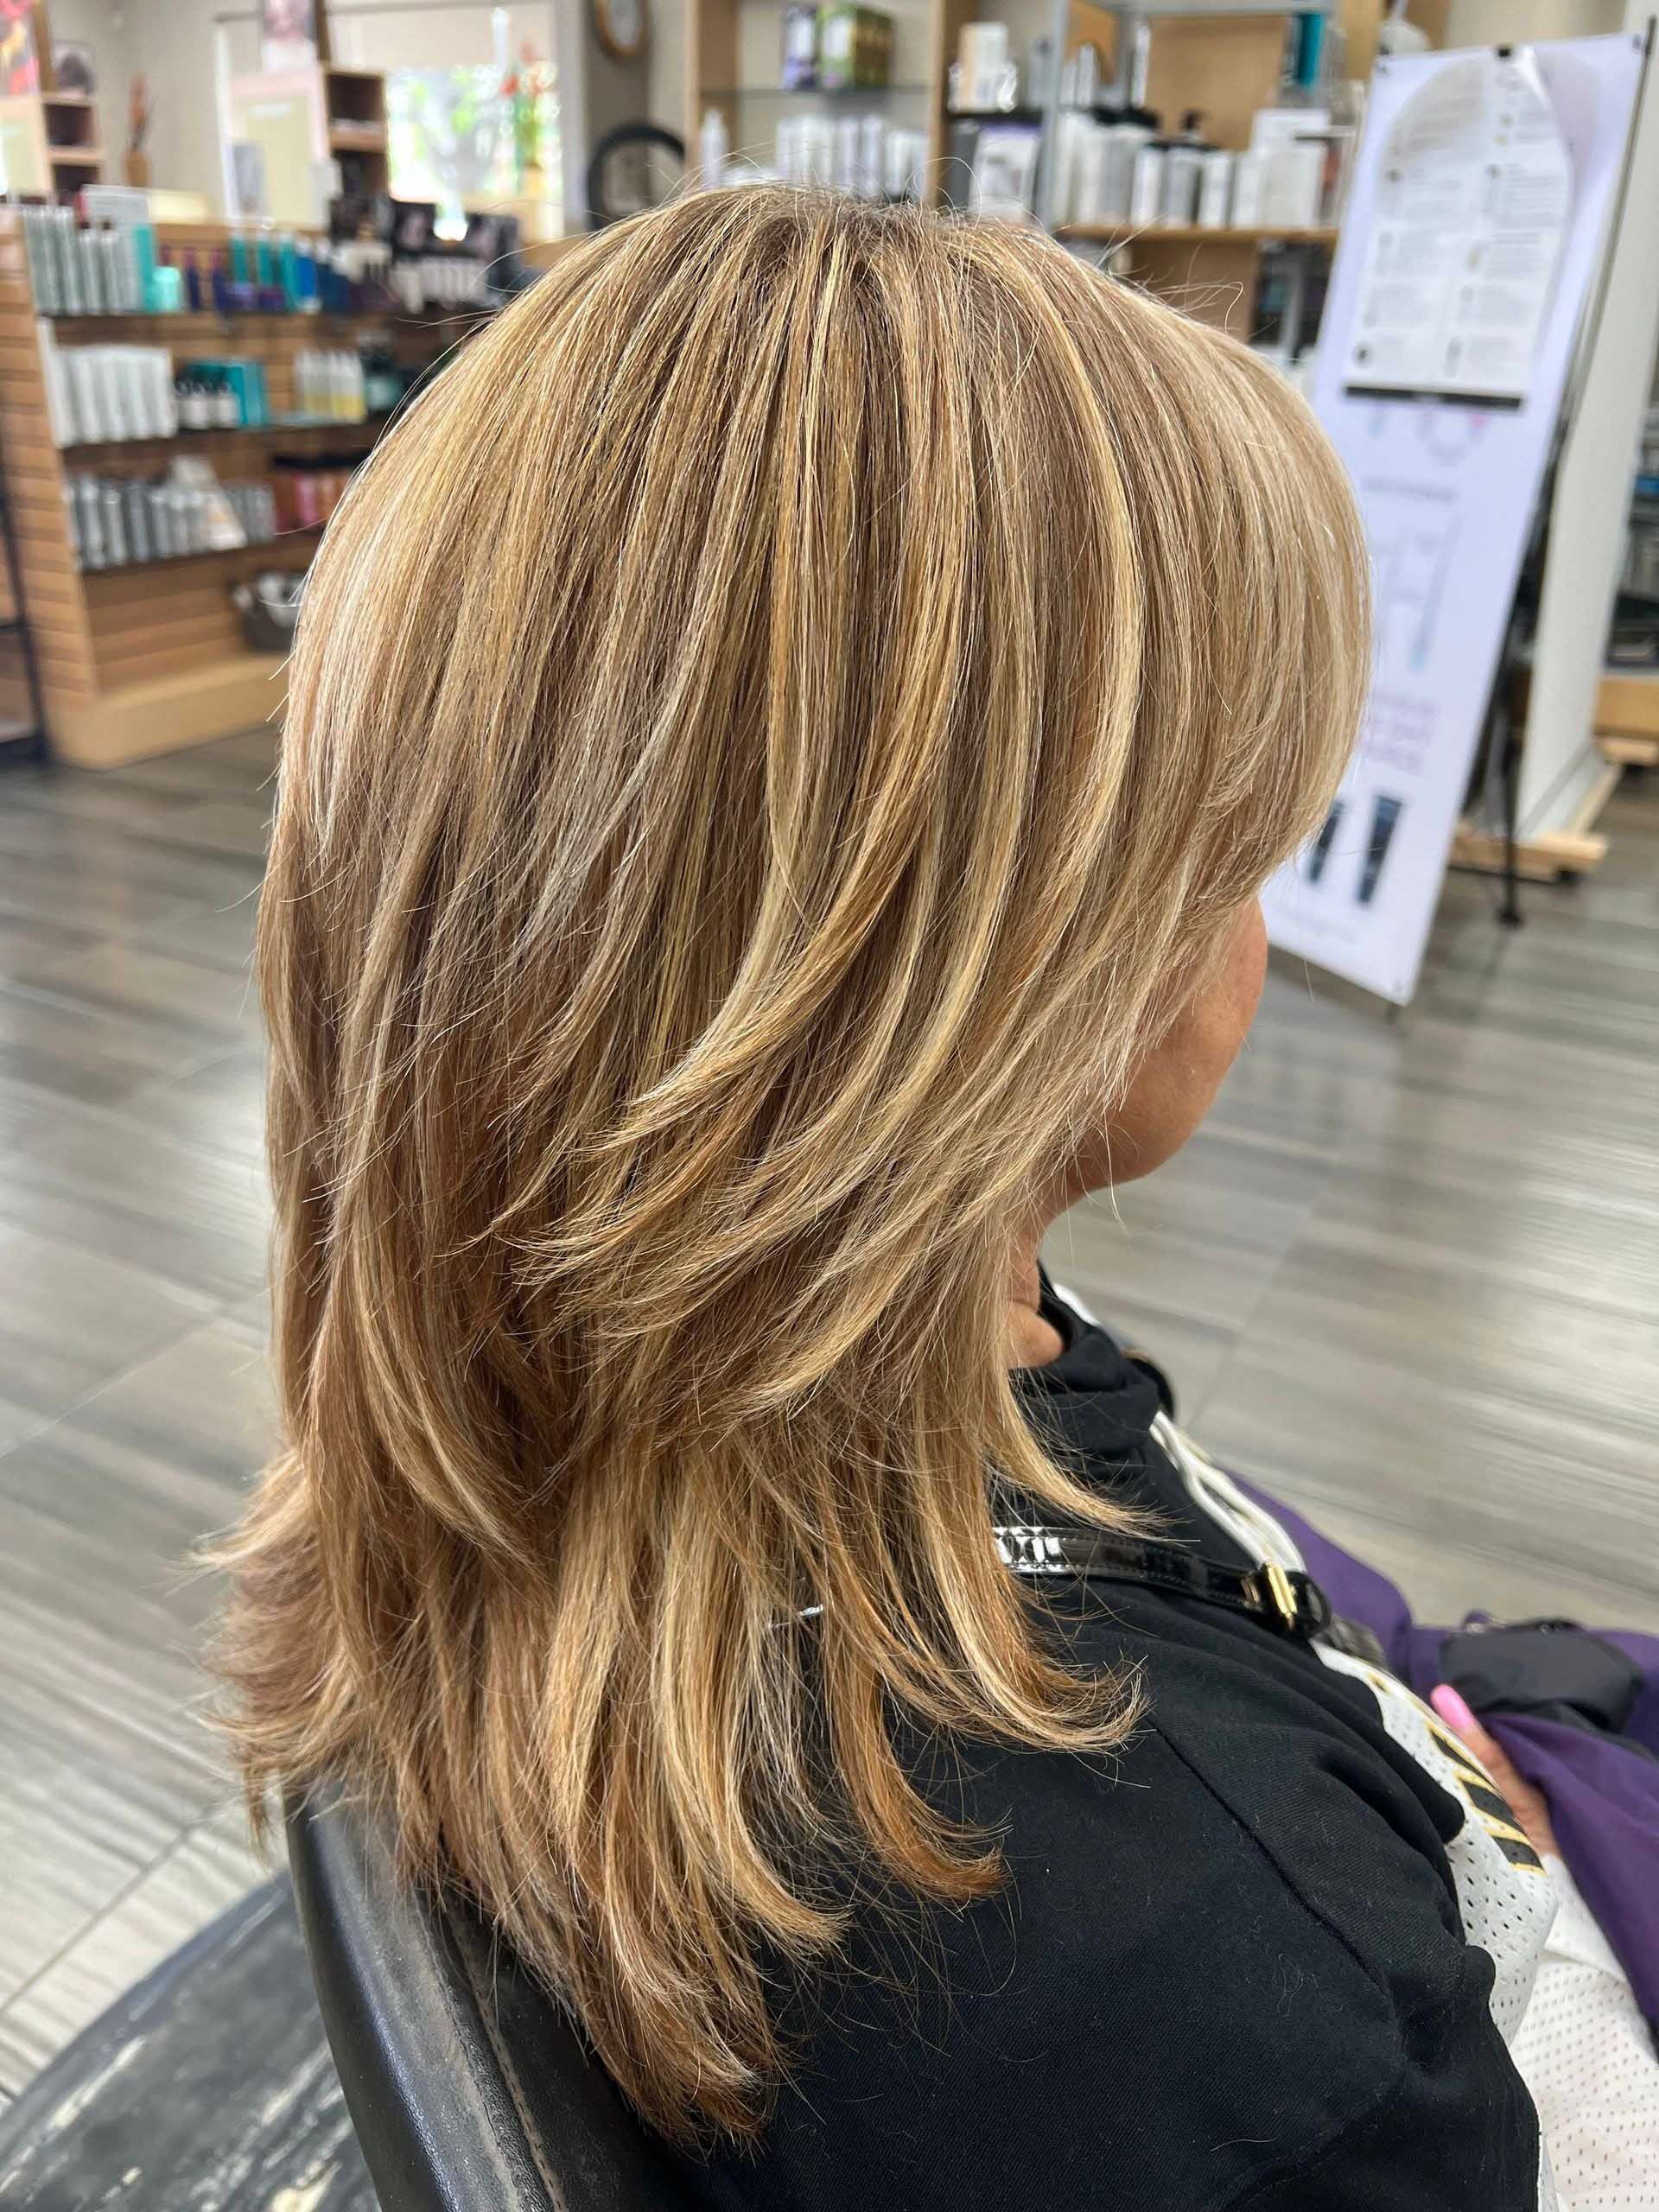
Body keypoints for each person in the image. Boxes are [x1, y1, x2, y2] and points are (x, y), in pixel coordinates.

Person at [216, 190, 1656, 2208]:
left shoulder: (518, 1444)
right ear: (995, 993)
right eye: (1233, 855)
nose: (1253, 924)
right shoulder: (1230, 2019)